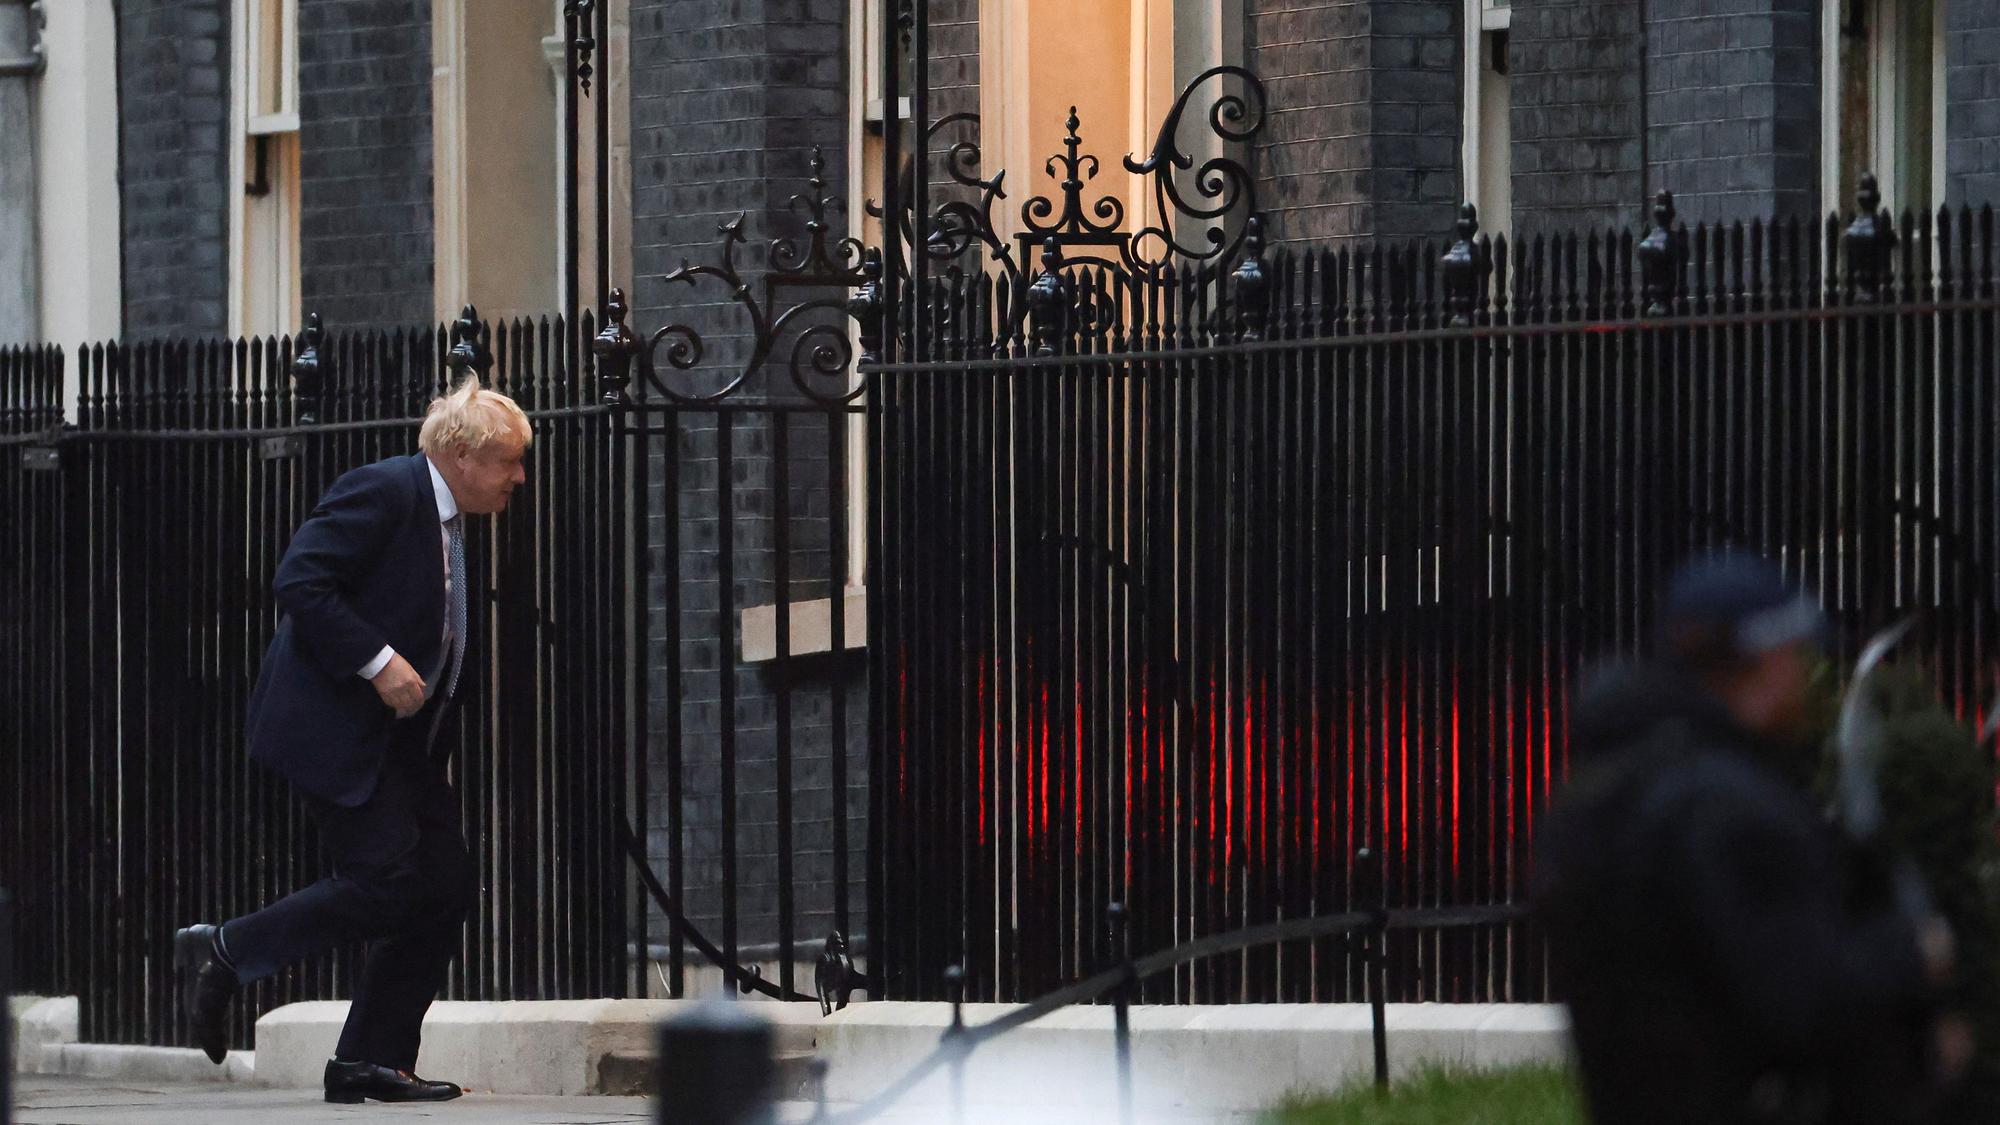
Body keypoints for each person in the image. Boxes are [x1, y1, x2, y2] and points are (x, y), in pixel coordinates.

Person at [172, 376, 531, 1104]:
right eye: (507, 460)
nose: (519, 477)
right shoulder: (383, 491)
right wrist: (378, 660)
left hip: (402, 742)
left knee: (445, 885)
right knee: (388, 882)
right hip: (335, 727)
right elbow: (301, 579)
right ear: (460, 456)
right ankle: (225, 949)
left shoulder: (452, 523)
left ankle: (370, 1058)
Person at [1534, 551, 1957, 1125]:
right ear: (1768, 661)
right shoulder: (1731, 809)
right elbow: (1806, 1005)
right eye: (1798, 657)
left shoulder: (1600, 796)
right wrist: (1912, 952)